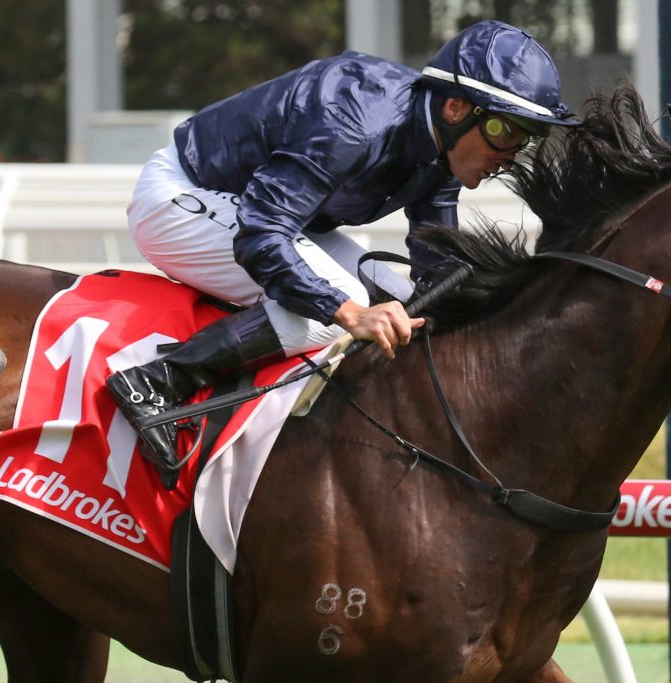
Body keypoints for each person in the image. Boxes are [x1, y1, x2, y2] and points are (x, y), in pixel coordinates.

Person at [105, 19, 580, 488]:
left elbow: (437, 259)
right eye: (504, 130)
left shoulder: (442, 144)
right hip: (181, 197)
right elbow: (260, 233)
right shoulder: (356, 123)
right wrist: (349, 313)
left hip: (274, 215)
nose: (511, 154)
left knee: (402, 302)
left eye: (526, 137)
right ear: (456, 108)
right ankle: (158, 380)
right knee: (340, 310)